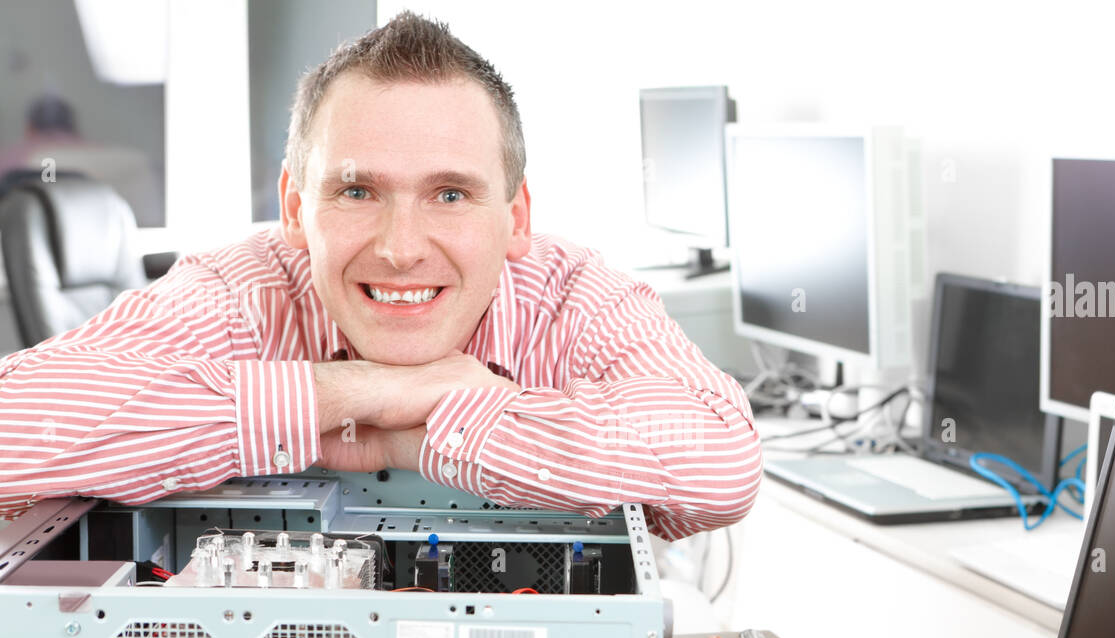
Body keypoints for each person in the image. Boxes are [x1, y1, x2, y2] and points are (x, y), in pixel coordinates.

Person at [0, 14, 760, 541]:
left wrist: (427, 429)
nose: (401, 249)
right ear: (296, 209)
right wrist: (341, 397)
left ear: (516, 217)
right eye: (358, 192)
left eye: (450, 194)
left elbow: (721, 465)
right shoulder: (244, 290)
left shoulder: (575, 295)